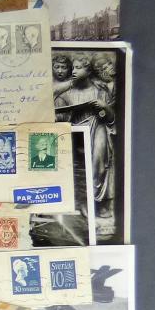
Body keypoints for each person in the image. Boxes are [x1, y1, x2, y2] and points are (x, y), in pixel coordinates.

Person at [55, 54, 116, 219]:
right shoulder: (65, 95)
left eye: (78, 68)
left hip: (97, 128)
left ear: (88, 71)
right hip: (74, 134)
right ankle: (79, 200)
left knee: (100, 156)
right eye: (73, 68)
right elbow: (59, 120)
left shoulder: (100, 91)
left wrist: (105, 107)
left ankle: (95, 201)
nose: (74, 71)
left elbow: (110, 119)